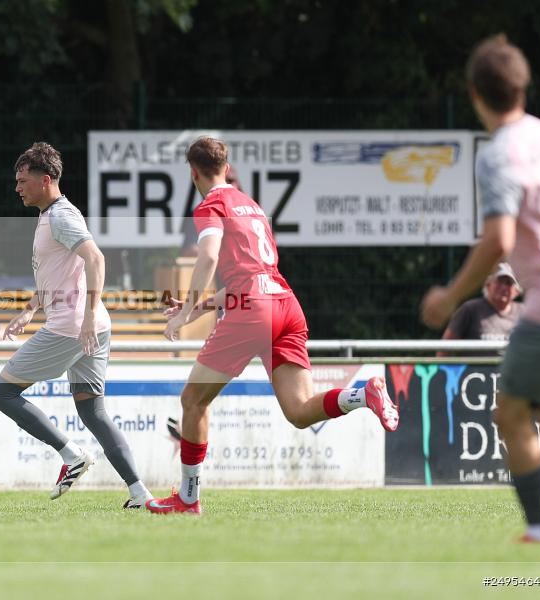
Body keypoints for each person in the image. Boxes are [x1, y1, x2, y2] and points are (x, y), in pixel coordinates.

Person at [146, 137, 398, 515]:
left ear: (193, 172)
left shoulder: (210, 205)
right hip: (285, 304)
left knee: (193, 400)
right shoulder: (252, 206)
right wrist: (199, 307)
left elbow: (210, 256)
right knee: (299, 412)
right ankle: (364, 395)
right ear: (227, 169)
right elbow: (252, 273)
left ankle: (188, 498)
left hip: (253, 309)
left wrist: (182, 316)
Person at [421, 35, 540, 545]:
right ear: (523, 86)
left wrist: (449, 296)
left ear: (475, 93)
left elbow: (498, 237)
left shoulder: (499, 154)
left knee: (511, 411)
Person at [0, 142, 152, 508]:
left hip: (73, 327)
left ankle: (70, 454)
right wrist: (31, 308)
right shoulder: (50, 216)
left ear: (46, 180)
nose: (17, 187)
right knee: (93, 412)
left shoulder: (61, 216)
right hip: (88, 326)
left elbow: (95, 257)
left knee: (1, 393)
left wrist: (89, 314)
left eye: (22, 180)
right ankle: (139, 492)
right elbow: (59, 274)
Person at [438, 262, 523, 356]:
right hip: (475, 370)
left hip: (513, 370)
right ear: (488, 285)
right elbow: (445, 346)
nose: (503, 287)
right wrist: (440, 369)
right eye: (499, 281)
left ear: (517, 292)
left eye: (508, 283)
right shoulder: (470, 309)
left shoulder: (525, 313)